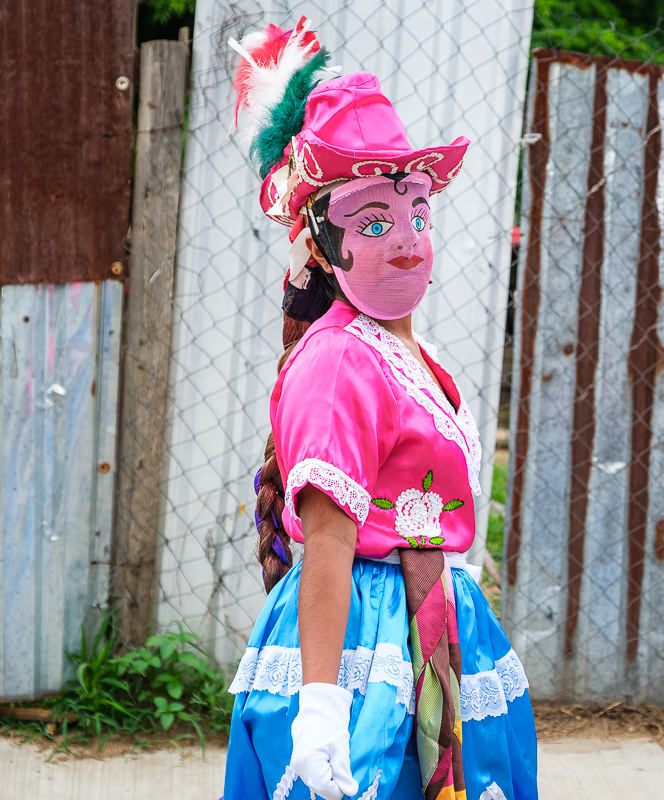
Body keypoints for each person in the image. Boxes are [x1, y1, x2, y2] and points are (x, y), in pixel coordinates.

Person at [222, 18, 538, 800]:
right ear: (323, 244)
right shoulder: (337, 360)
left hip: (436, 622)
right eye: (374, 221)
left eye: (418, 214)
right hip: (364, 643)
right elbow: (329, 545)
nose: (407, 239)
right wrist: (324, 705)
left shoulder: (413, 357)